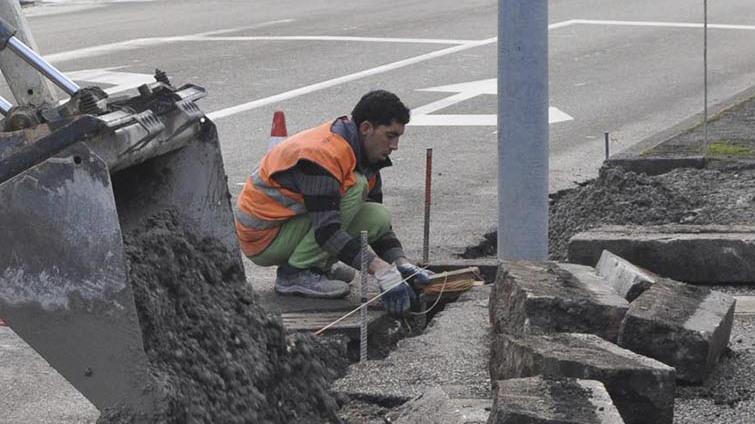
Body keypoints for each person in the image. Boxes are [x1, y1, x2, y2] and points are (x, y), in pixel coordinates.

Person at [235, 90, 432, 318]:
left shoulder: (364, 156)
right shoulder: (323, 155)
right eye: (390, 136)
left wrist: (399, 263)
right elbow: (327, 232)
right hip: (263, 236)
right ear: (366, 128)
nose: (395, 145)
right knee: (355, 186)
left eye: (398, 137)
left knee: (378, 216)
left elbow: (376, 227)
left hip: (290, 225)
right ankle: (295, 274)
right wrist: (379, 269)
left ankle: (319, 265)